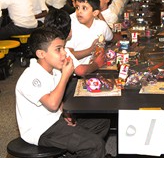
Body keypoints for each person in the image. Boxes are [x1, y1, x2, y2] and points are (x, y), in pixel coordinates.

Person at [15, 26, 110, 157]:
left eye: (64, 48)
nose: (64, 53)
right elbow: (52, 103)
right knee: (95, 145)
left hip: (55, 120)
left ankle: (76, 155)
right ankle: (89, 151)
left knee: (101, 122)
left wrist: (65, 114)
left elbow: (58, 102)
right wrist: (65, 75)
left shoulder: (53, 71)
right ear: (41, 54)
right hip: (41, 130)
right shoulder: (31, 76)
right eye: (58, 49)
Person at [44, 8, 106, 77]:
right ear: (70, 31)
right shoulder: (62, 50)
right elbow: (81, 71)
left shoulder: (45, 44)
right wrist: (96, 64)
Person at [65, 0, 113, 65]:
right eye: (77, 8)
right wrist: (90, 50)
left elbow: (111, 38)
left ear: (95, 13)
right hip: (77, 71)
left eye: (84, 8)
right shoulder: (70, 27)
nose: (79, 11)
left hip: (97, 67)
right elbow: (67, 55)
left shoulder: (102, 25)